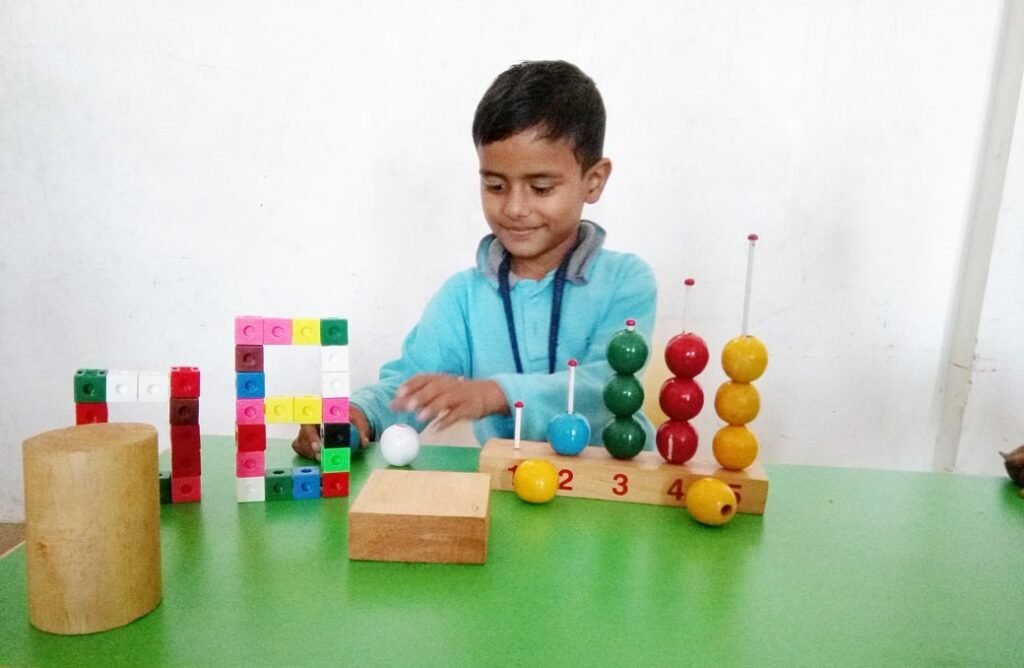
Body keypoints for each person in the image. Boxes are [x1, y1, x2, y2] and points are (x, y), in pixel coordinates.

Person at [293, 60, 656, 460]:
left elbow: (608, 388)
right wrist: (356, 414)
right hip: (510, 485)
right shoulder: (463, 297)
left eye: (540, 187)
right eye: (496, 185)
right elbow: (412, 385)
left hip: (617, 484)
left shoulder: (627, 281)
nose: (515, 208)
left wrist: (494, 394)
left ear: (594, 181)